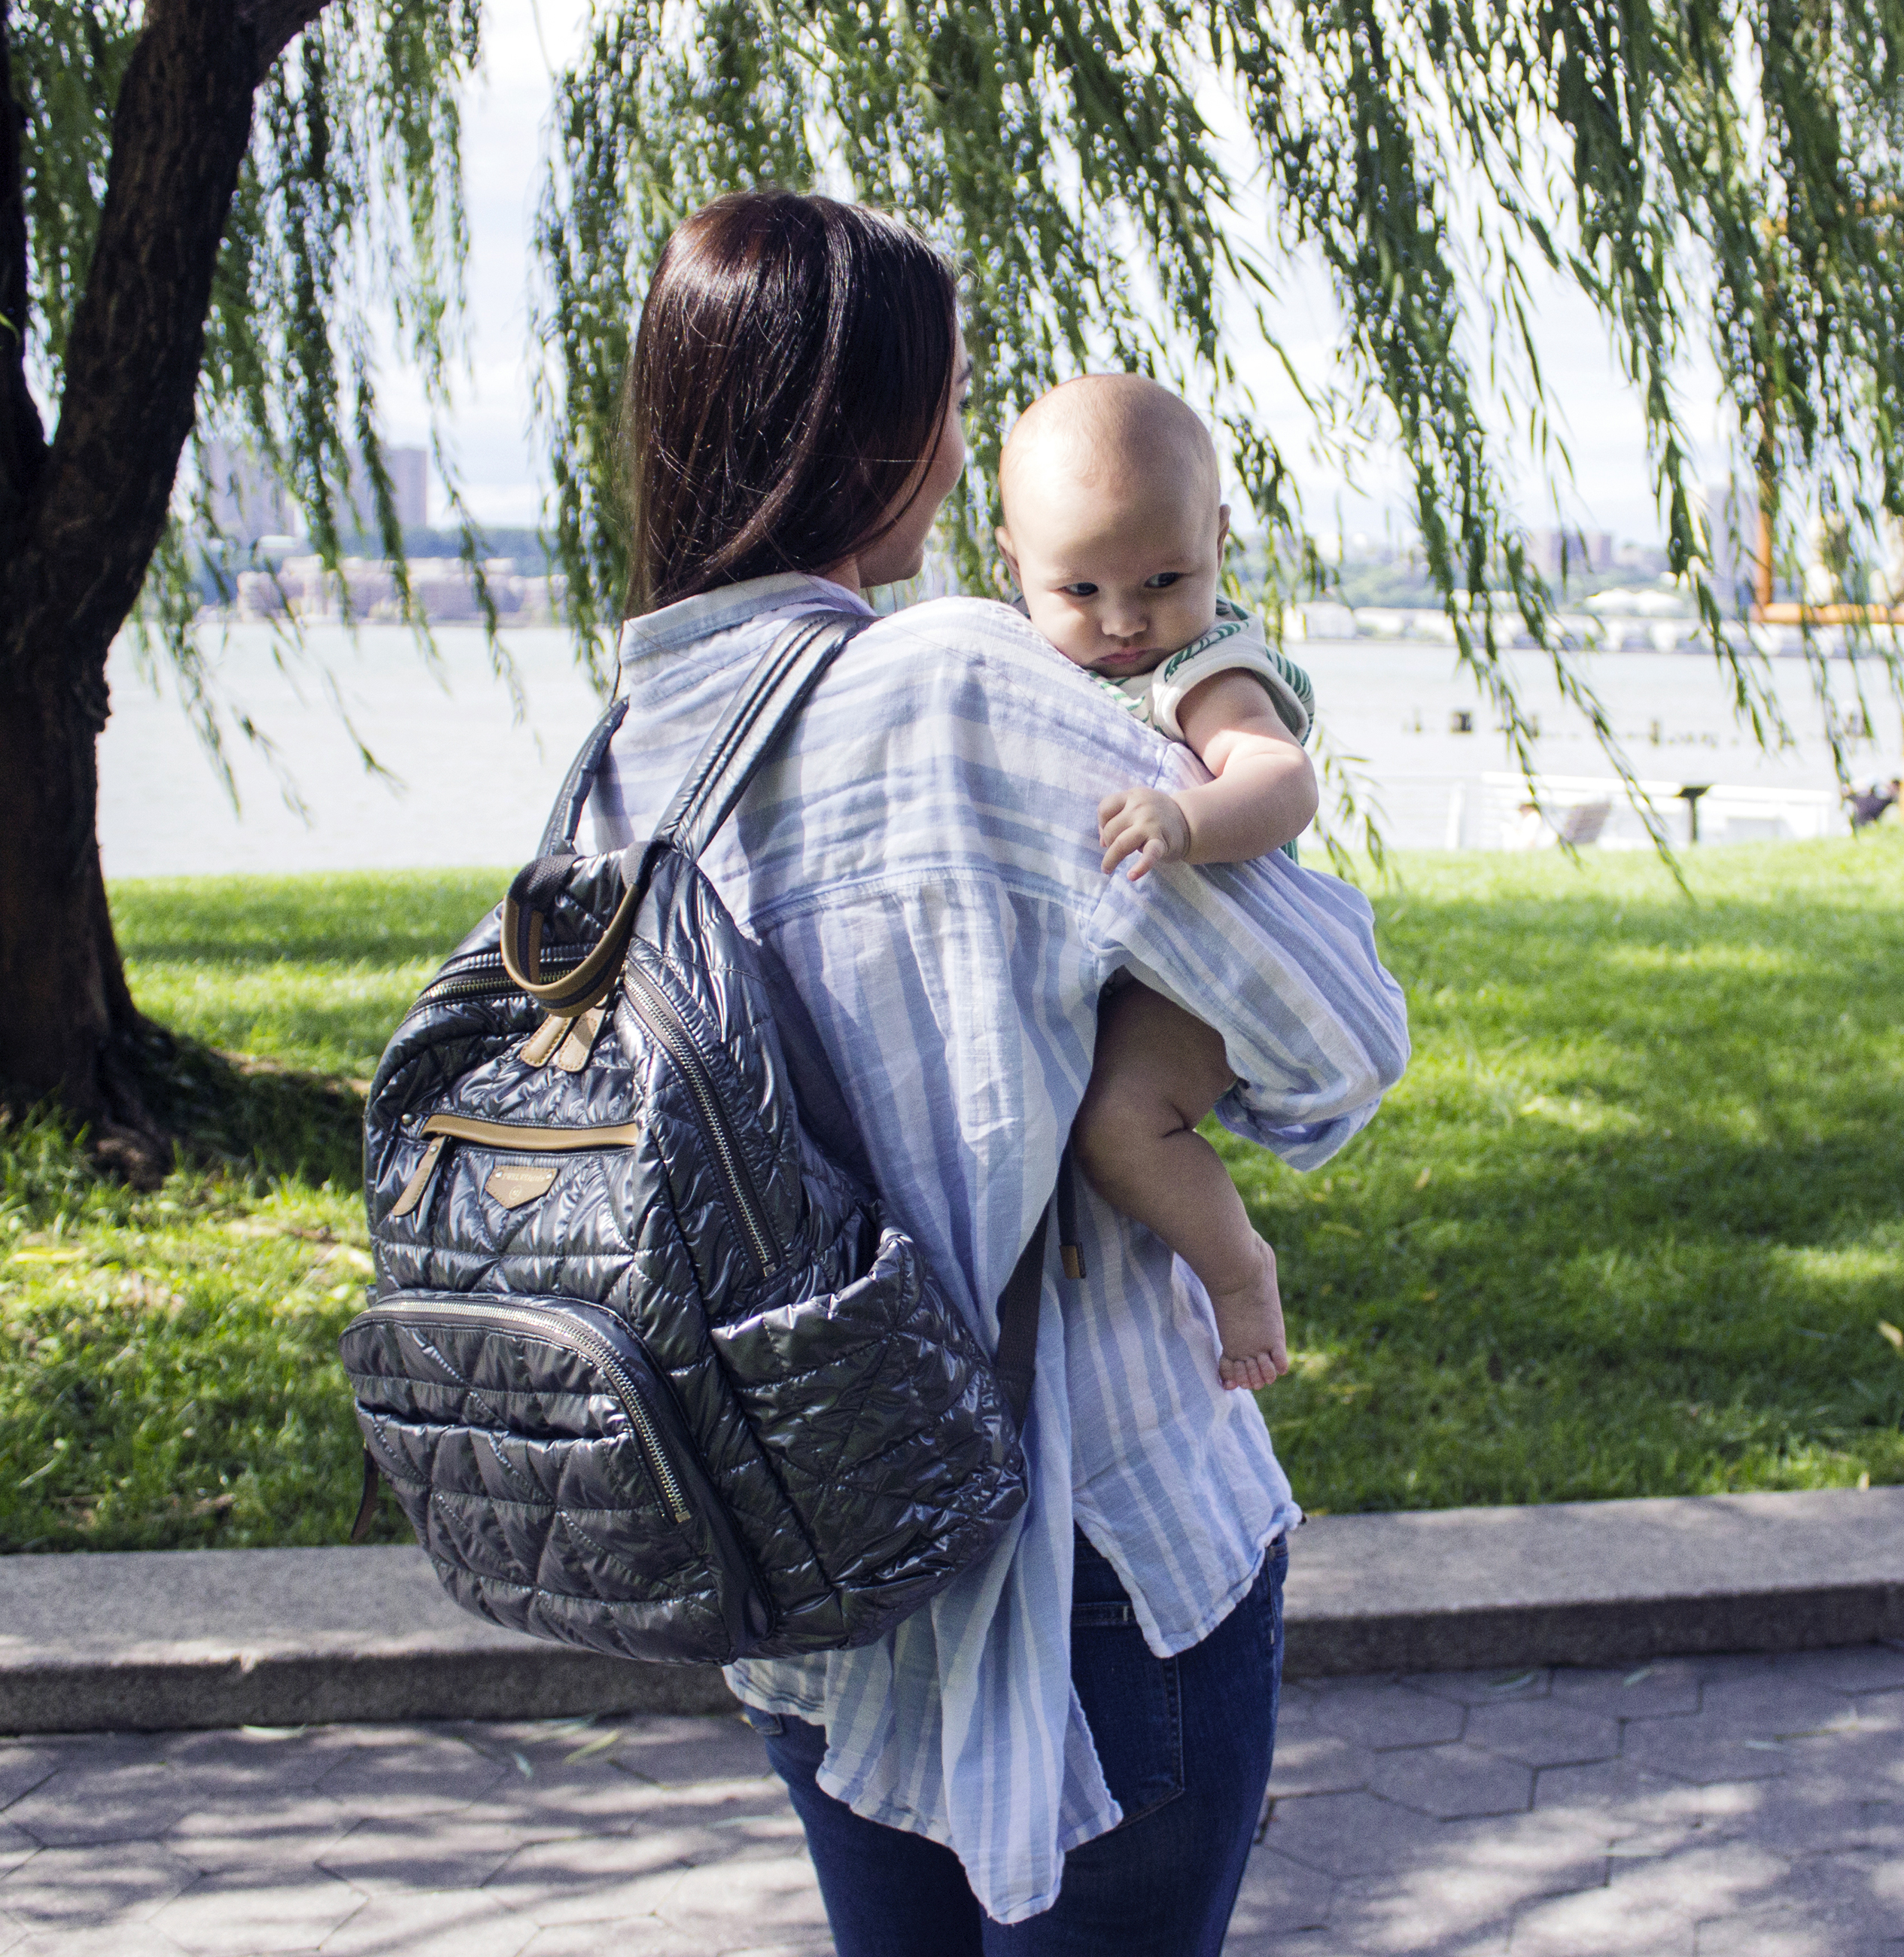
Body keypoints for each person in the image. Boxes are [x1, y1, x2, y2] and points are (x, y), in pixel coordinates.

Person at [575, 191, 1410, 1953]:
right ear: (900, 435)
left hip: (804, 1549)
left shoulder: (622, 750)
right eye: (950, 399)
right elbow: (1337, 1037)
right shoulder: (962, 678)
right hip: (1094, 1542)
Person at [995, 375, 1318, 1392]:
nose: (1126, 621)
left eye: (1165, 579)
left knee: (1120, 1126)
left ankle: (1238, 1276)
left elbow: (1283, 780)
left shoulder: (1202, 671)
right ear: (1016, 566)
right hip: (1127, 953)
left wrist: (1187, 818)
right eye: (1080, 592)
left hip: (1204, 968)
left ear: (1219, 539)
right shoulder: (1032, 658)